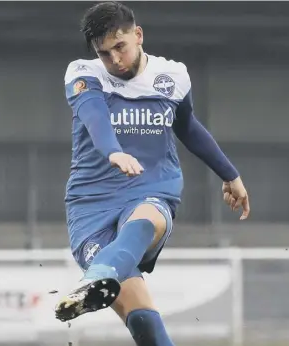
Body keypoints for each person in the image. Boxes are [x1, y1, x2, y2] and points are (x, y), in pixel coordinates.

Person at [56, 2, 250, 345]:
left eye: (120, 47)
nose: (114, 60)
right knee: (144, 321)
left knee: (145, 217)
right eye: (105, 53)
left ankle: (99, 273)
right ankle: (105, 274)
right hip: (90, 205)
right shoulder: (83, 73)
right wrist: (113, 150)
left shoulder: (172, 77)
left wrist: (230, 174)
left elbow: (187, 126)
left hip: (151, 185)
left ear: (138, 35)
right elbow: (94, 116)